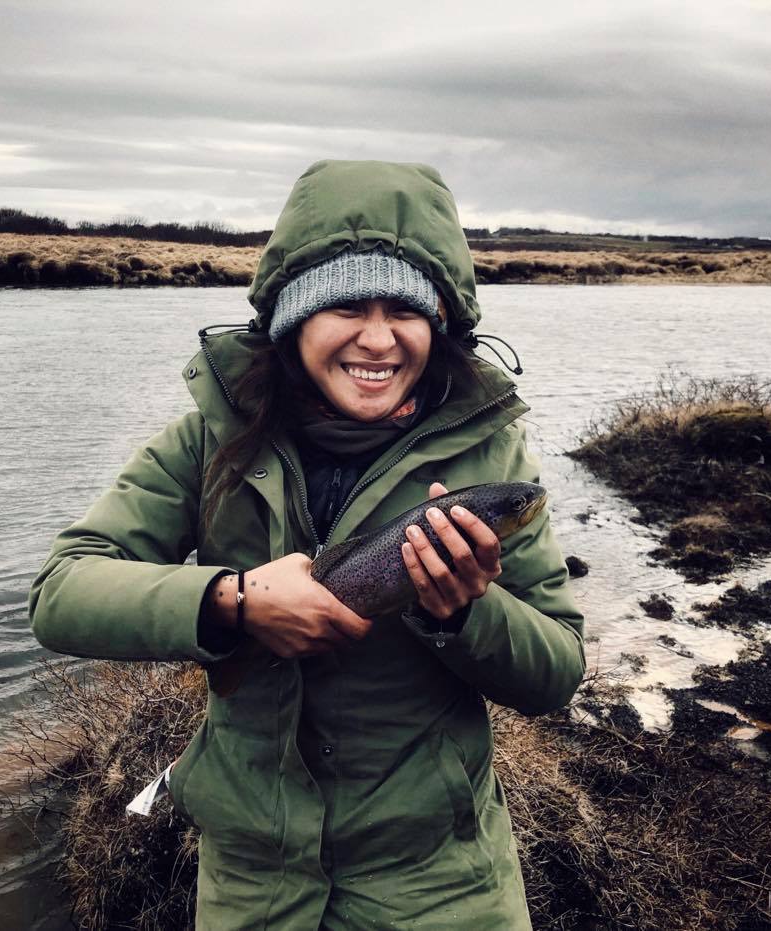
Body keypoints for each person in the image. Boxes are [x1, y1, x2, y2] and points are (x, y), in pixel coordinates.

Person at [29, 159, 585, 929]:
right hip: (253, 887)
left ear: (441, 323)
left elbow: (557, 669)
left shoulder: (492, 461)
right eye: (347, 305)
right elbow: (61, 592)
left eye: (407, 310)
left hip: (442, 886)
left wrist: (467, 613)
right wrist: (234, 603)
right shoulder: (206, 443)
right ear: (292, 319)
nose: (380, 338)